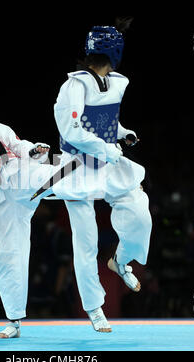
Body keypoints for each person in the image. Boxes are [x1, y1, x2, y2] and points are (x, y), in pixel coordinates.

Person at [0, 85, 148, 338]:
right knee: (7, 258)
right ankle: (14, 322)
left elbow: (15, 143)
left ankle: (124, 176)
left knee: (66, 173)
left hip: (17, 174)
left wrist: (32, 150)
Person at [53, 24, 153, 332]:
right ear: (116, 52)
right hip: (76, 167)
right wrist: (107, 148)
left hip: (107, 160)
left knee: (140, 214)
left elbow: (106, 119)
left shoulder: (115, 83)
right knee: (86, 242)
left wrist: (124, 133)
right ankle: (95, 308)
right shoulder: (73, 86)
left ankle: (120, 262)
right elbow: (70, 130)